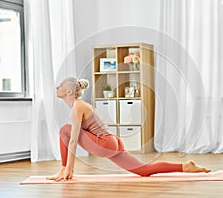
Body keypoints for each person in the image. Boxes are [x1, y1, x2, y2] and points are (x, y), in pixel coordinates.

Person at [47, 77, 210, 181]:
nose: (57, 88)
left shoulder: (77, 107)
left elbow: (73, 140)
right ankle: (185, 167)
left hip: (104, 143)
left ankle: (63, 170)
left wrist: (68, 169)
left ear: (68, 91)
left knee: (65, 130)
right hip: (113, 142)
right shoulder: (80, 106)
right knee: (144, 171)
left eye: (60, 85)